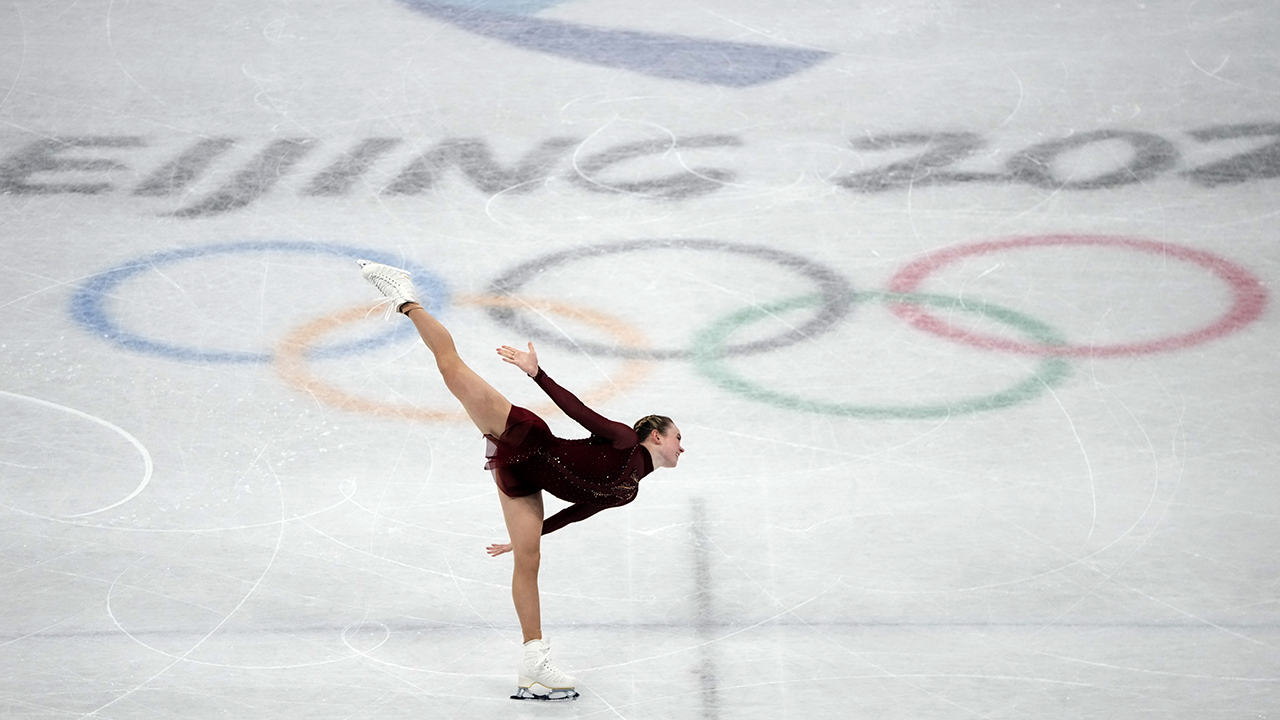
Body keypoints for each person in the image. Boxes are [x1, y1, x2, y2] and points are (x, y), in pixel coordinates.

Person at [357, 259, 684, 702]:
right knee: (452, 369)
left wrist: (525, 537)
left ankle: (533, 663)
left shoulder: (628, 492)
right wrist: (536, 373)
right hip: (525, 436)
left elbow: (575, 513)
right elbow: (578, 411)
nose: (682, 448)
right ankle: (404, 297)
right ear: (656, 436)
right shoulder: (625, 441)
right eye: (678, 438)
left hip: (522, 477)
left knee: (528, 560)